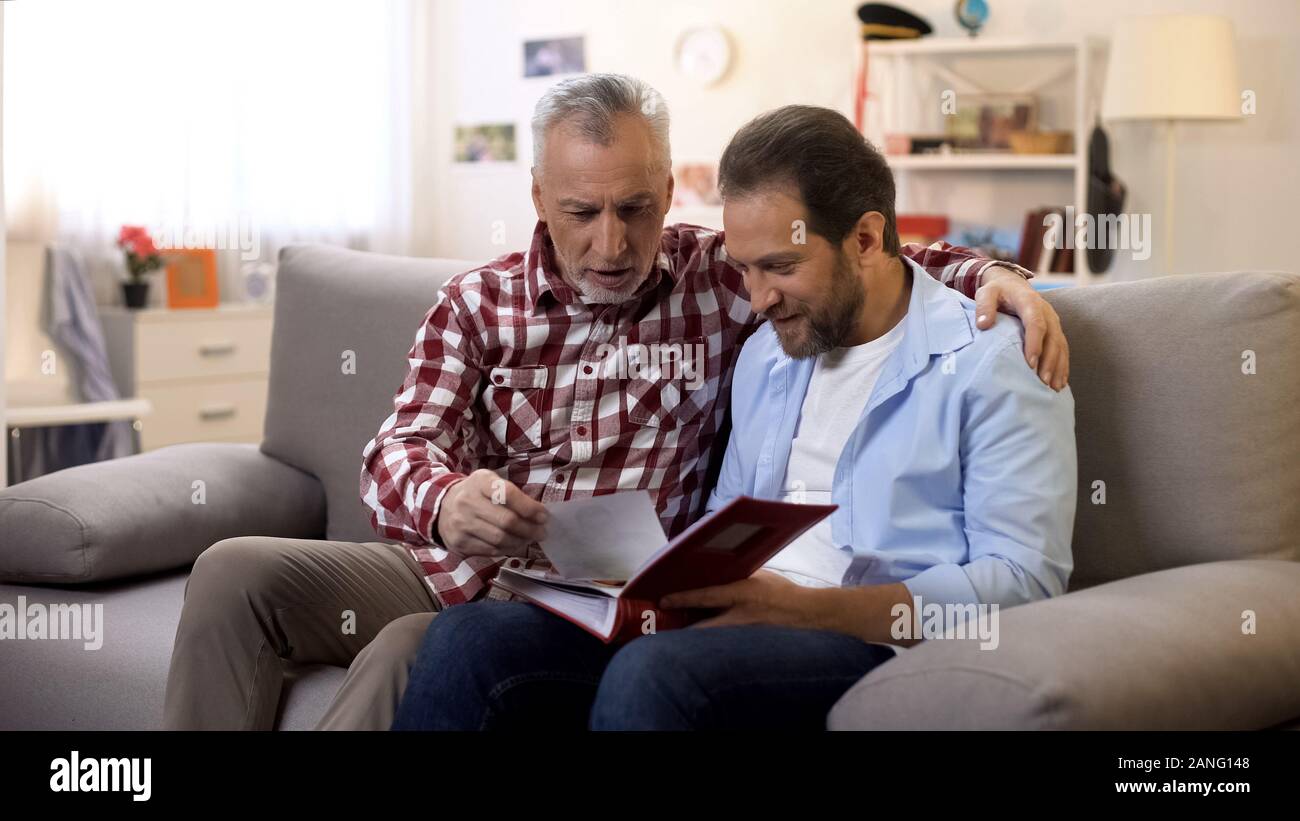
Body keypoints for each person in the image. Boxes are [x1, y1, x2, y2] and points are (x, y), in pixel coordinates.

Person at [161, 75, 1069, 731]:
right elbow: (398, 447)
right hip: (484, 572)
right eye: (580, 211)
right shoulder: (749, 337)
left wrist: (1000, 276)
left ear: (670, 195)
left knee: (574, 668)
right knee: (334, 601)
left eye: (635, 208)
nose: (610, 242)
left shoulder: (752, 292)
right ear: (538, 201)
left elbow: (875, 261)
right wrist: (446, 501)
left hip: (798, 619)